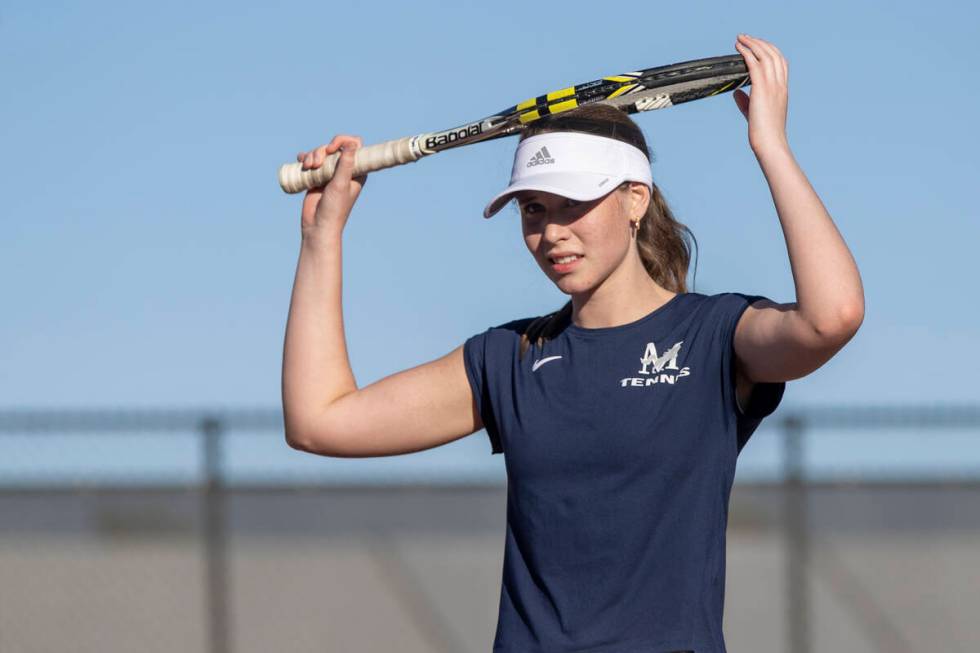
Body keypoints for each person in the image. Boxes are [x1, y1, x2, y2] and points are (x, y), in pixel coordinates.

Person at [281, 33, 864, 653]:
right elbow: (320, 422)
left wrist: (769, 146)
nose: (552, 232)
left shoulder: (713, 336)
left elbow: (832, 317)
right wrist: (322, 238)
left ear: (634, 199)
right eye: (533, 209)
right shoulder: (510, 358)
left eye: (574, 204)